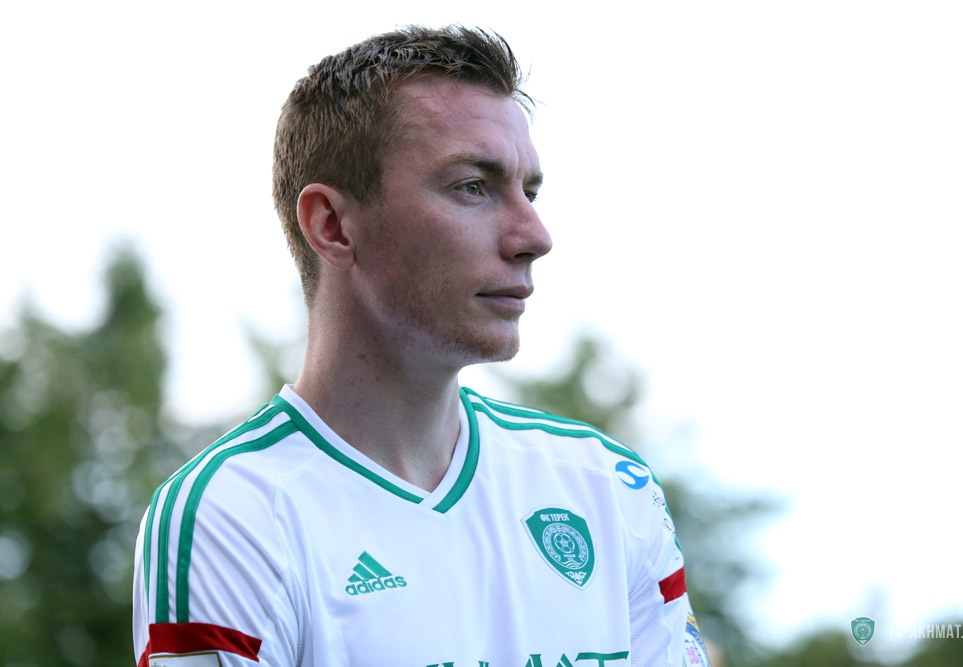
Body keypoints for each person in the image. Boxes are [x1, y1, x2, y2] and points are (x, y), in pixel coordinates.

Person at [132, 25, 711, 667]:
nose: (534, 236)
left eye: (530, 192)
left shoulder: (606, 487)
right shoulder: (231, 515)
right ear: (332, 226)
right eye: (473, 186)